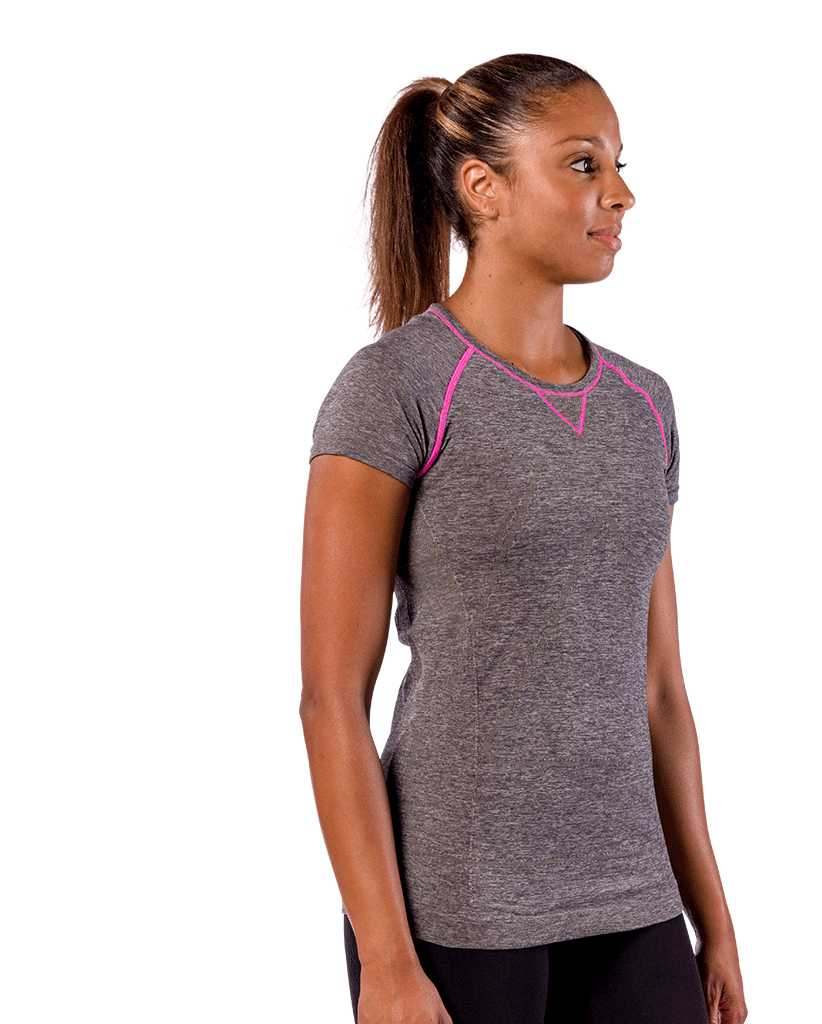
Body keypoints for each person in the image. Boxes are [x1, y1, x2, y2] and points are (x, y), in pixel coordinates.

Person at [299, 53, 748, 1024]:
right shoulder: (397, 389)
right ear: (482, 187)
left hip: (633, 899)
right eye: (583, 164)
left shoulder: (643, 405)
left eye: (619, 164)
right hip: (458, 906)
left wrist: (711, 919)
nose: (620, 193)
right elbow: (331, 699)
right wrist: (386, 960)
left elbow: (660, 688)